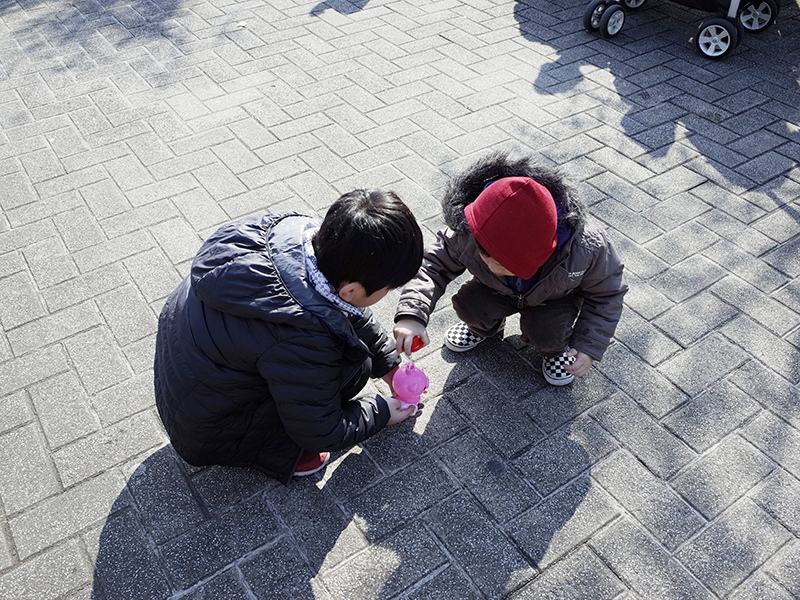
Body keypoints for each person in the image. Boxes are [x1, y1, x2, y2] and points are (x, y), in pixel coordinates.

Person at [154, 189, 423, 484]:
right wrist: (381, 411)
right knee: (352, 369)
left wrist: (389, 364)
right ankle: (278, 450)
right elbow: (321, 429)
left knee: (343, 353)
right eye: (388, 289)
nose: (387, 294)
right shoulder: (302, 336)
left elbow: (343, 311)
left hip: (188, 391)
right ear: (352, 290)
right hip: (211, 431)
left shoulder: (294, 238)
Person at [394, 151, 627, 386]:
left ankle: (555, 352)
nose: (495, 269)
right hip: (496, 292)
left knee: (548, 331)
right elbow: (432, 265)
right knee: (470, 304)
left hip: (554, 299)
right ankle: (484, 328)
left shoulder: (586, 246)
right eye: (487, 261)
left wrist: (586, 347)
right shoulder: (468, 230)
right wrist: (412, 315)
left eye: (506, 267)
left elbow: (608, 294)